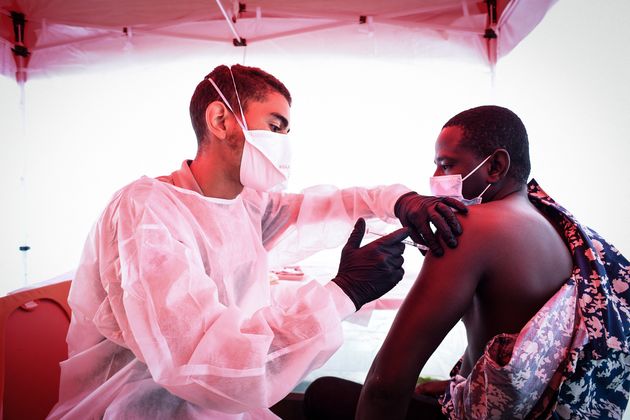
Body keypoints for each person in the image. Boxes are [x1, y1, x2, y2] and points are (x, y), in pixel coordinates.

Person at [47, 64, 468, 420]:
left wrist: (402, 201)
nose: (283, 144)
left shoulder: (244, 207)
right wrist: (345, 292)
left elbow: (333, 206)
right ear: (220, 120)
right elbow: (201, 363)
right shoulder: (147, 212)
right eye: (274, 126)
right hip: (139, 407)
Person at [304, 105, 630, 419]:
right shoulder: (552, 225)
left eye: (446, 165)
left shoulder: (470, 227)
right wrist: (452, 387)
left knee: (323, 393)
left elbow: (385, 387)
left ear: (495, 166)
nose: (435, 177)